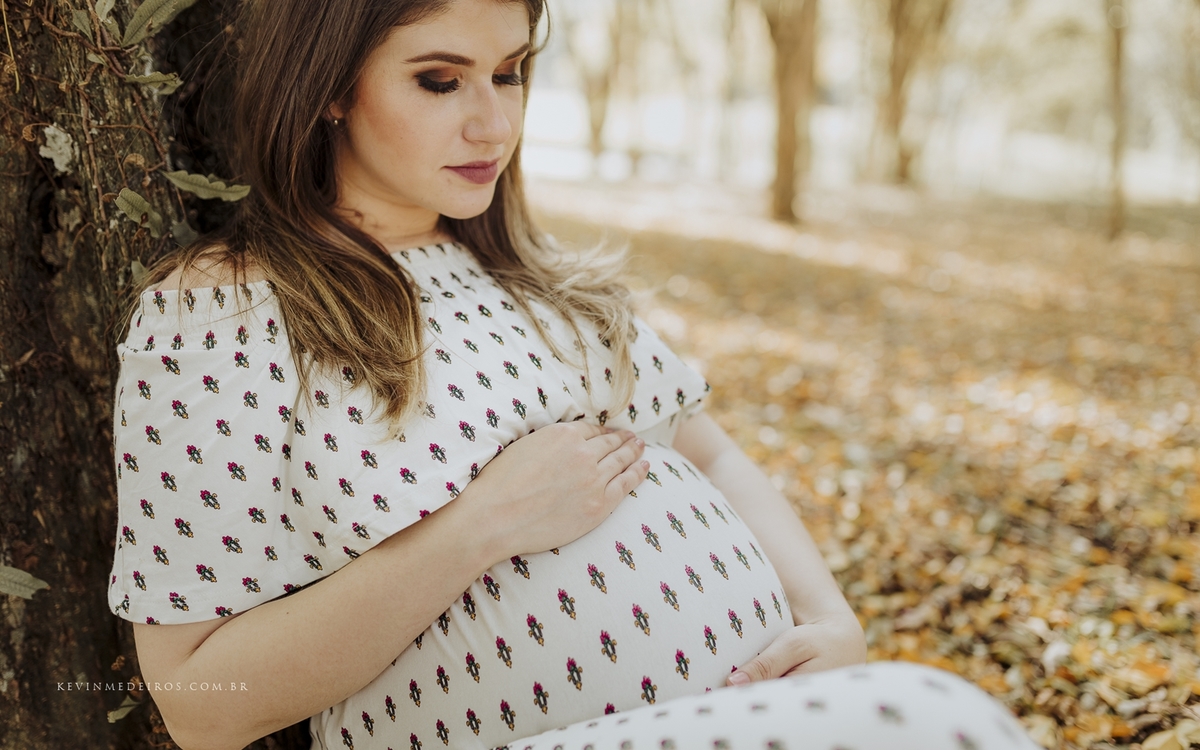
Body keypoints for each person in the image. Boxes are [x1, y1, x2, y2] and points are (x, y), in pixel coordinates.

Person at [105, 1, 1042, 748]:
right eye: (440, 80)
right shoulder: (218, 315)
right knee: (939, 723)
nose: (493, 120)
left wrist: (832, 621)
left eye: (510, 72)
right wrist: (479, 530)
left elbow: (713, 461)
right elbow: (199, 702)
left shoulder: (534, 278)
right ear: (330, 88)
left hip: (738, 708)